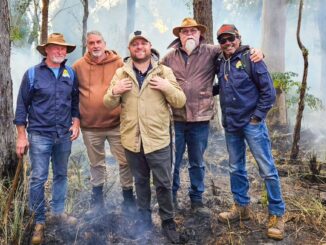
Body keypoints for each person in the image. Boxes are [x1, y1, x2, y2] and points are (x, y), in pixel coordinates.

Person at [161, 18, 263, 216]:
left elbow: (234, 48)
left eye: (193, 31)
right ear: (179, 36)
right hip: (176, 119)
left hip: (200, 118)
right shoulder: (169, 57)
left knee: (197, 162)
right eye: (185, 31)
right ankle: (170, 198)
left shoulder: (211, 51)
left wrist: (256, 51)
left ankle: (196, 200)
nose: (189, 34)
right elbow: (152, 70)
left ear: (200, 34)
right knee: (172, 161)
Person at [103, 30, 186, 244]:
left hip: (158, 140)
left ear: (150, 46)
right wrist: (115, 92)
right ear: (130, 49)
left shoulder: (164, 72)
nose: (139, 47)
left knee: (163, 183)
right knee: (140, 182)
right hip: (133, 140)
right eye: (135, 44)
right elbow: (107, 103)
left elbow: (180, 101)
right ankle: (144, 220)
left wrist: (167, 87)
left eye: (143, 43)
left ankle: (168, 222)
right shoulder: (121, 73)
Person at [215, 24, 285, 240]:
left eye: (231, 38)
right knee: (236, 167)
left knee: (267, 169)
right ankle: (241, 207)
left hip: (252, 124)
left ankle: (277, 214)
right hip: (231, 124)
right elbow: (223, 87)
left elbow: (269, 92)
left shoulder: (251, 59)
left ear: (239, 37)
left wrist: (257, 117)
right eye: (223, 40)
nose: (227, 43)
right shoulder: (220, 62)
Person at [14, 33, 80, 245]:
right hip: (40, 134)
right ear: (47, 50)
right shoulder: (32, 74)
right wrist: (21, 136)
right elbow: (22, 106)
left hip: (63, 135)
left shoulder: (70, 73)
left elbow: (75, 101)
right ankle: (38, 221)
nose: (60, 51)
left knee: (61, 175)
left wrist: (76, 121)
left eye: (63, 49)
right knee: (38, 178)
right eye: (56, 48)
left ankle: (58, 213)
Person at [72, 31, 135, 216]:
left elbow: (130, 90)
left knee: (125, 161)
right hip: (90, 126)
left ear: (105, 43)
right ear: (87, 45)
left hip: (117, 124)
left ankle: (129, 197)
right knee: (96, 163)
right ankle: (97, 200)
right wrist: (76, 120)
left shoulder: (119, 64)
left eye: (99, 42)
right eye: (91, 43)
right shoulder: (78, 67)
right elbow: (73, 95)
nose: (95, 46)